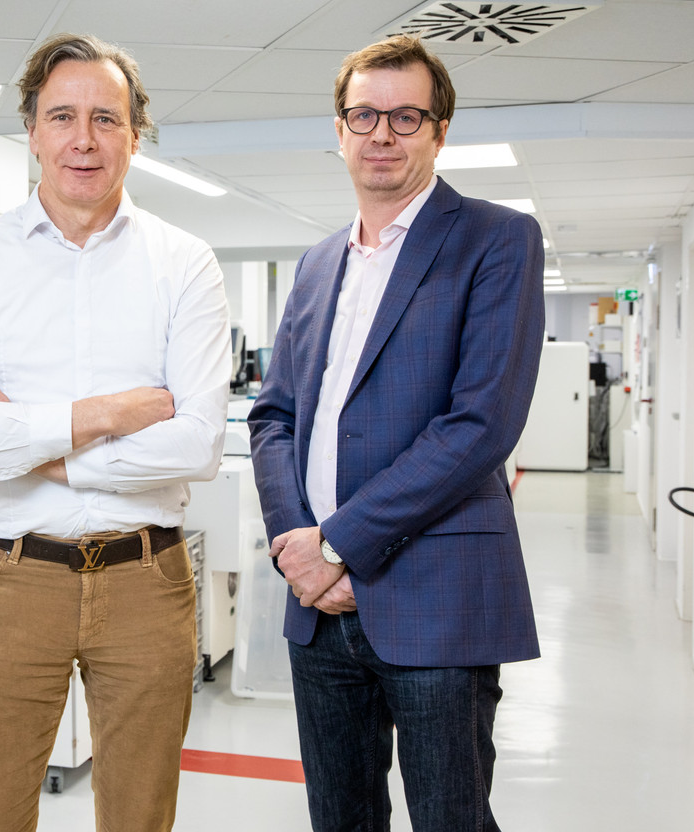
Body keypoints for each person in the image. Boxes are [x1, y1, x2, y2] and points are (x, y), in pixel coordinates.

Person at [0, 32, 231, 832]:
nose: (83, 139)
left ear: (134, 133)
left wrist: (35, 444)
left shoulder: (184, 262)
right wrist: (108, 413)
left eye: (105, 118)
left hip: (146, 582)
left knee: (139, 816)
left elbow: (196, 444)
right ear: (32, 131)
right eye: (62, 116)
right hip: (11, 581)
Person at [247, 35, 544, 831]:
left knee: (450, 817)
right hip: (317, 606)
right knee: (339, 818)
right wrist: (293, 544)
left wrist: (336, 542)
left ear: (440, 130)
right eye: (364, 115)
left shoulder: (494, 239)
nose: (382, 133)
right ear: (339, 131)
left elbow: (480, 424)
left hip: (435, 598)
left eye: (406, 116)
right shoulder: (315, 264)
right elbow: (273, 416)